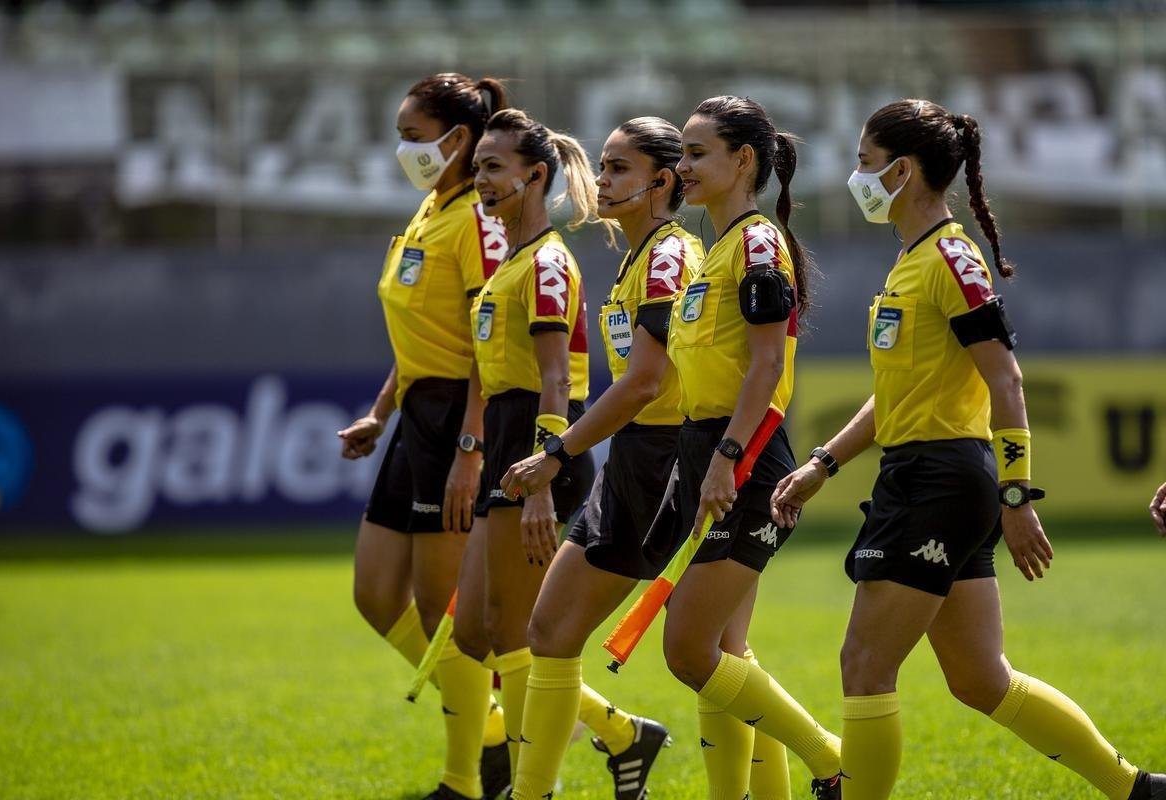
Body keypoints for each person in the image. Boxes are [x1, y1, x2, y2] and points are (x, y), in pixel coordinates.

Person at [770, 98, 1166, 800]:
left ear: (903, 170)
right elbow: (895, 395)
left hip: (940, 479)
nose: (857, 177)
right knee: (982, 680)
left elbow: (1006, 380)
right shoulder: (913, 259)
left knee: (863, 665)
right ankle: (1135, 788)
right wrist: (823, 463)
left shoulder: (949, 258)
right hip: (927, 474)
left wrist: (1017, 499)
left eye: (865, 163)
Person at [498, 116, 737, 800]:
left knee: (711, 653)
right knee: (547, 631)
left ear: (661, 181)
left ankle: (823, 760)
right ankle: (534, 789)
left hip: (671, 458)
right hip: (640, 455)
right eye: (601, 167)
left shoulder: (668, 257)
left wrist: (557, 452)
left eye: (618, 169)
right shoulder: (640, 257)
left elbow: (645, 382)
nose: (601, 181)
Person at [642, 95, 844, 800]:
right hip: (711, 451)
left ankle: (829, 758)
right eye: (682, 154)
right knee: (724, 652)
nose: (682, 166)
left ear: (744, 160)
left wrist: (727, 460)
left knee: (688, 648)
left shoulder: (758, 243)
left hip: (745, 460)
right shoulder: (720, 247)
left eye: (697, 153)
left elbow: (765, 367)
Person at [454, 107, 650, 797]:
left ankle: (531, 783)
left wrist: (543, 478)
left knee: (515, 633)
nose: (479, 179)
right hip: (509, 445)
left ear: (535, 175)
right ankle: (622, 732)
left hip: (538, 448)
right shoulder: (508, 259)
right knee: (474, 631)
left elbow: (555, 380)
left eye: (492, 167)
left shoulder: (545, 262)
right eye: (478, 166)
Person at [337, 73, 511, 800]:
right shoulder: (426, 211)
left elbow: (487, 345)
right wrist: (382, 412)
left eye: (412, 136)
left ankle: (465, 778)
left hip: (459, 423)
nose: (402, 149)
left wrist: (471, 450)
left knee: (450, 617)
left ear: (458, 139)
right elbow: (419, 338)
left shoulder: (480, 218)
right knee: (377, 597)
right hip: (415, 415)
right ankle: (525, 724)